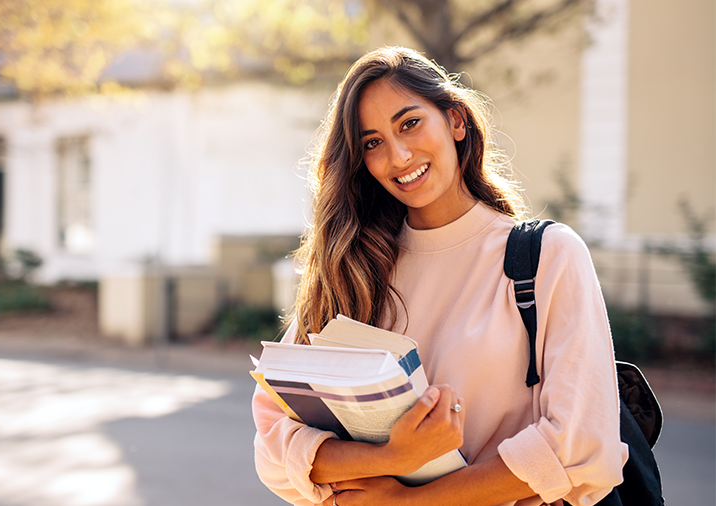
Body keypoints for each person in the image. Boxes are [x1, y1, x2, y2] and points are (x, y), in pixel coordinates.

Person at [252, 46, 628, 506]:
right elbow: (274, 443)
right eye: (373, 143)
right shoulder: (354, 268)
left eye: (409, 123)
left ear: (455, 121)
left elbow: (579, 448)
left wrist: (407, 501)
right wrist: (392, 456)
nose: (399, 155)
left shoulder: (546, 256)